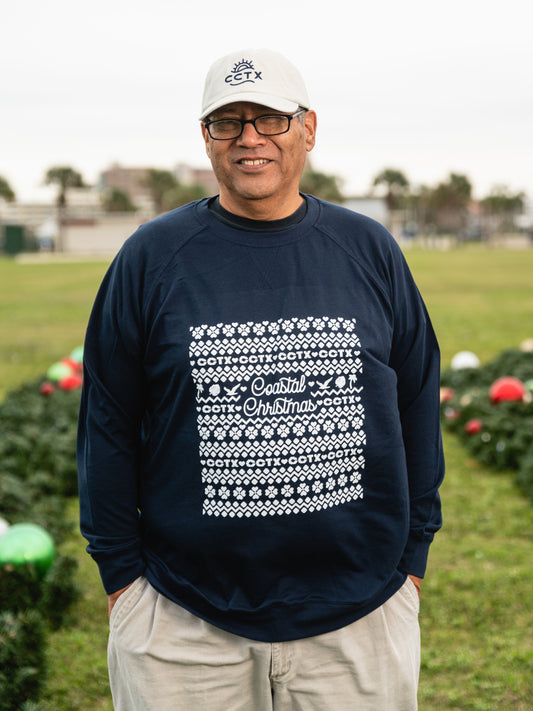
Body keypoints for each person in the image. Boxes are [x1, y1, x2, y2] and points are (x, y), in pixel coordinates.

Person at [77, 48, 444, 711]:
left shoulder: (368, 250)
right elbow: (107, 420)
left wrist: (410, 561)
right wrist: (122, 580)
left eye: (269, 119)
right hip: (184, 621)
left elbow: (416, 400)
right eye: (228, 121)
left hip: (360, 613)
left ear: (307, 127)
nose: (249, 138)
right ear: (205, 137)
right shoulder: (152, 257)